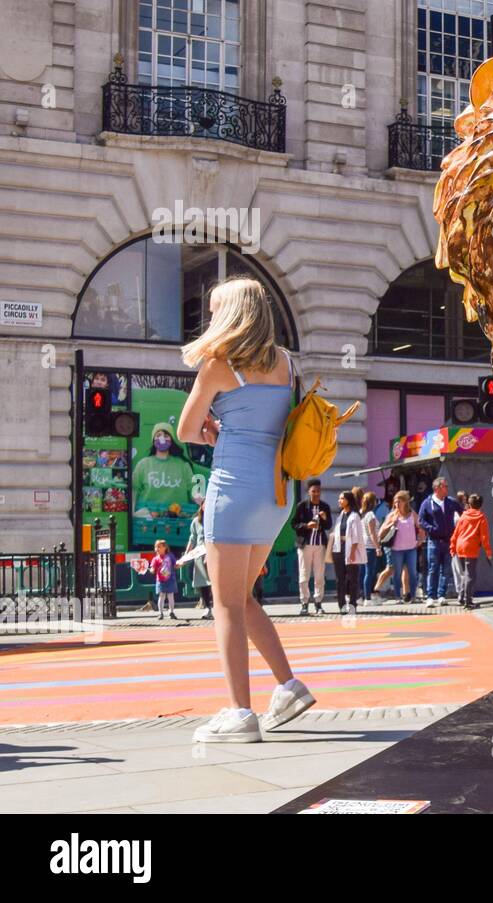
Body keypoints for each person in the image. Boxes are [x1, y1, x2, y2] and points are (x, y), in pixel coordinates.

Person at [178, 276, 316, 744]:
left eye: (216, 309)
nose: (211, 318)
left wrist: (214, 429)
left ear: (233, 314)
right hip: (275, 496)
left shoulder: (219, 365)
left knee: (226, 605)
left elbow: (186, 429)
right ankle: (289, 686)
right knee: (245, 597)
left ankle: (240, 713)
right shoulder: (287, 364)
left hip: (233, 491)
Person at [418, 477, 462, 607]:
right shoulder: (427, 503)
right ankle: (430, 596)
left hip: (448, 540)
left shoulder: (451, 502)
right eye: (445, 486)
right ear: (437, 488)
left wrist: (457, 529)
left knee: (446, 569)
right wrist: (431, 529)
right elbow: (421, 520)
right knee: (433, 569)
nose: (447, 488)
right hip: (434, 541)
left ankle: (441, 595)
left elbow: (463, 514)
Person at [291, 479, 331, 616]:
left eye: (318, 491)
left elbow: (328, 526)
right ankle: (304, 603)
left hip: (320, 545)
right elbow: (294, 524)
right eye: (313, 491)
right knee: (304, 575)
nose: (316, 494)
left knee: (319, 575)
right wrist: (306, 526)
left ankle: (318, 603)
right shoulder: (302, 506)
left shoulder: (325, 507)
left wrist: (325, 519)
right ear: (308, 492)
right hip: (305, 545)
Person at [449, 493, 491, 610]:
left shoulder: (463, 516)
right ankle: (468, 601)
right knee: (470, 575)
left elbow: (456, 533)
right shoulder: (481, 517)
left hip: (460, 546)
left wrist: (452, 547)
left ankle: (462, 597)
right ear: (480, 505)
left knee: (464, 574)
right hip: (471, 548)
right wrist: (488, 552)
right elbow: (484, 537)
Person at [380, 490, 420, 602]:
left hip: (411, 548)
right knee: (397, 573)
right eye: (395, 502)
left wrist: (420, 539)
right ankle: (398, 597)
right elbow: (381, 532)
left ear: (405, 502)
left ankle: (413, 596)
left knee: (412, 573)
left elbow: (420, 526)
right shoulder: (392, 515)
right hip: (396, 549)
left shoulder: (412, 514)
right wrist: (391, 523)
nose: (397, 504)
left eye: (399, 501)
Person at [332, 491, 365, 613]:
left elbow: (356, 537)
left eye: (342, 498)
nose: (339, 501)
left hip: (350, 549)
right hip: (338, 549)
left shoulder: (355, 516)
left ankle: (352, 604)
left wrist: (352, 552)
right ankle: (341, 605)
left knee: (352, 579)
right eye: (339, 498)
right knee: (340, 579)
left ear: (348, 500)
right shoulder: (341, 515)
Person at [184, 499, 213, 620]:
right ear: (201, 506)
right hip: (200, 556)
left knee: (216, 583)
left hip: (214, 555)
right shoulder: (196, 521)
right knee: (202, 583)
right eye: (204, 504)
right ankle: (208, 608)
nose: (206, 506)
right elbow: (193, 538)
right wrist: (187, 554)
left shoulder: (216, 519)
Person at [360, 491, 382, 605]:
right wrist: (377, 547)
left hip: (363, 545)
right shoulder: (371, 515)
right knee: (369, 572)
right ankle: (367, 597)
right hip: (370, 546)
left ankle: (363, 596)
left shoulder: (362, 514)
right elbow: (372, 533)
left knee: (364, 572)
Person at [151, 540, 178, 621]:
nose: (157, 549)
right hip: (160, 580)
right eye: (156, 547)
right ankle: (160, 613)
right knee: (161, 596)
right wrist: (152, 570)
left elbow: (175, 564)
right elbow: (152, 568)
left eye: (159, 547)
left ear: (165, 547)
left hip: (170, 579)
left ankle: (171, 612)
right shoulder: (155, 559)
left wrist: (179, 564)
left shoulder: (170, 556)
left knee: (170, 596)